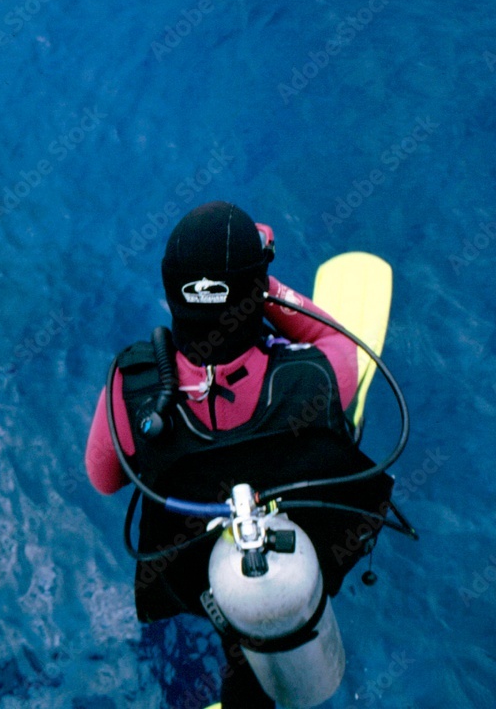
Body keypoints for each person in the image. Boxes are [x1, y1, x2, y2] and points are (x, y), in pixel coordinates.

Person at [85, 201, 388, 708]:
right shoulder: (316, 376)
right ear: (254, 295)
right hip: (305, 551)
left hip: (196, 573)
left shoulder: (130, 389)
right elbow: (340, 340)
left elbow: (103, 479)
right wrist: (261, 288)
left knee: (234, 617)